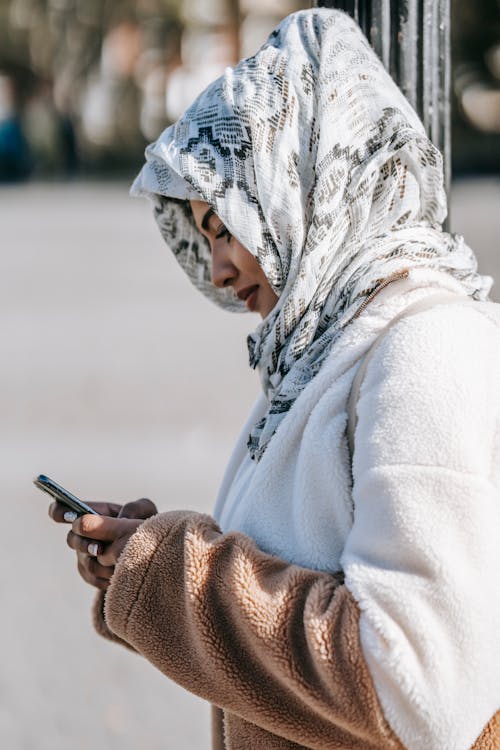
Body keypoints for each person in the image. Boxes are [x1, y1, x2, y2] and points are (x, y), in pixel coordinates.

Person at [49, 8, 500, 750]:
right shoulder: (329, 351)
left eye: (227, 224)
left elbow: (413, 686)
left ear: (304, 183)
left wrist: (170, 572)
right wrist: (143, 554)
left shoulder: (427, 345)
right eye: (205, 237)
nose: (219, 270)